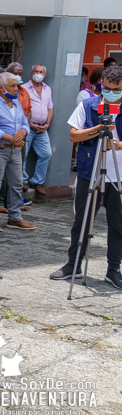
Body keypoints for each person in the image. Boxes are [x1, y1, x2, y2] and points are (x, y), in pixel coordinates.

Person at [51, 64, 122, 288]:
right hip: (89, 171)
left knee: (117, 224)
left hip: (118, 176)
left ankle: (113, 270)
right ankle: (73, 264)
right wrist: (99, 129)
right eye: (106, 88)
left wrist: (119, 144)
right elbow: (73, 135)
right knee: (82, 221)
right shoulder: (89, 105)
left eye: (116, 89)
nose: (110, 93)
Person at [0, 72, 34, 231]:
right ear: (1, 88)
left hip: (15, 150)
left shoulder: (16, 104)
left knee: (17, 184)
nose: (16, 88)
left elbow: (25, 123)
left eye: (17, 85)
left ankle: (15, 217)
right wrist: (11, 138)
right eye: (13, 86)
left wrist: (23, 132)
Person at [22, 64, 54, 192]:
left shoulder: (47, 89)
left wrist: (47, 123)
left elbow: (50, 107)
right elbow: (21, 109)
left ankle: (37, 182)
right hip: (28, 127)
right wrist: (29, 124)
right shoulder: (23, 88)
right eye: (36, 71)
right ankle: (23, 180)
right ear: (31, 73)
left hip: (42, 128)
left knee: (46, 154)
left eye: (41, 72)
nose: (38, 74)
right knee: (23, 154)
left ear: (44, 75)